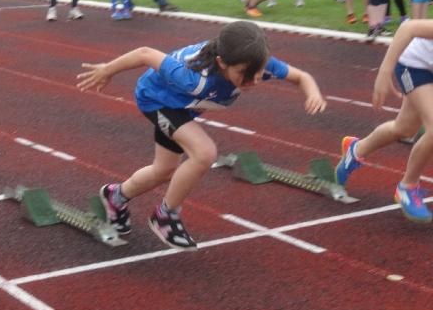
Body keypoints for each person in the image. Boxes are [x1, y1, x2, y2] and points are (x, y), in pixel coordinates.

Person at [77, 21, 326, 249]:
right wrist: (107, 70)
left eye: (259, 73)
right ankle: (165, 215)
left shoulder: (255, 62)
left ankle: (115, 196)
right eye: (244, 74)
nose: (253, 81)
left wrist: (312, 93)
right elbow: (145, 53)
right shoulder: (194, 78)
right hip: (156, 100)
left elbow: (301, 77)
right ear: (222, 63)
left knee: (163, 170)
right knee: (204, 153)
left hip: (183, 106)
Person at [335, 20, 433, 222]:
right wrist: (384, 72)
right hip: (414, 66)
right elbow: (408, 28)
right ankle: (407, 187)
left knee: (404, 128)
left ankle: (356, 149)